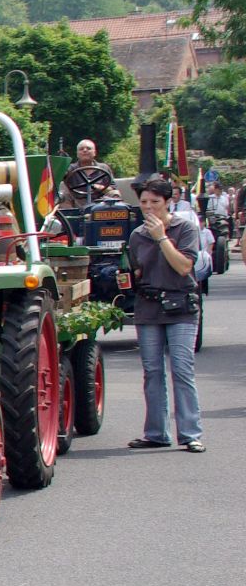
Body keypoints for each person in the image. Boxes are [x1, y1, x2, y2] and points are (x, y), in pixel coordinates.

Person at [126, 174, 204, 453]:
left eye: (155, 202)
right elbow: (138, 270)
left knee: (182, 369)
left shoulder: (185, 228)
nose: (148, 207)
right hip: (148, 306)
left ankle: (190, 433)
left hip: (180, 305)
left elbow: (184, 266)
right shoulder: (136, 235)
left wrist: (161, 238)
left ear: (169, 202)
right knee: (152, 371)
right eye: (144, 202)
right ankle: (156, 432)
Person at [60, 139, 118, 207]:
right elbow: (59, 177)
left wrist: (100, 187)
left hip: (101, 202)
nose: (85, 150)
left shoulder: (104, 167)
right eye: (81, 149)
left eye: (88, 148)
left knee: (115, 193)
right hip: (77, 202)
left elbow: (113, 188)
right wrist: (62, 164)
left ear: (94, 153)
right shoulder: (70, 168)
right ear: (77, 154)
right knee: (63, 196)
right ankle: (68, 217)